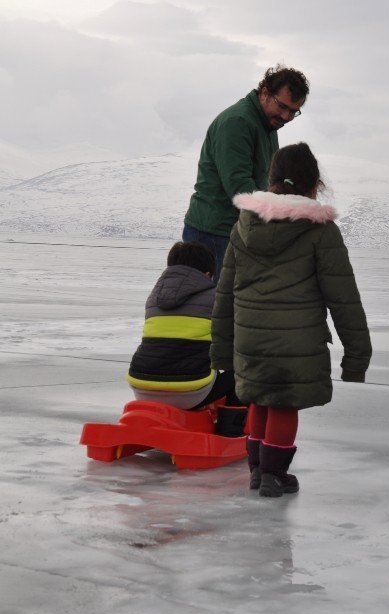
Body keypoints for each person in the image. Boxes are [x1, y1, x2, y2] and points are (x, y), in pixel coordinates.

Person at [212, 142, 372, 498]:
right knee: (283, 404)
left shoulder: (243, 227)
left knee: (257, 397)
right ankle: (273, 474)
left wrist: (221, 351)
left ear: (271, 181)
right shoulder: (320, 230)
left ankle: (257, 471)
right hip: (296, 339)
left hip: (249, 337)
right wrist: (357, 356)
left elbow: (225, 294)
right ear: (313, 183)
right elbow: (343, 297)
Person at [183, 65, 310, 280]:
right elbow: (239, 187)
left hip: (237, 230)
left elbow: (268, 181)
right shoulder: (238, 123)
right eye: (282, 106)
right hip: (214, 233)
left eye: (293, 111)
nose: (286, 116)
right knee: (215, 308)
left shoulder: (268, 126)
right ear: (264, 93)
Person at [127, 241, 247, 435]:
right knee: (244, 373)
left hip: (142, 386)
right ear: (207, 274)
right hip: (190, 390)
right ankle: (230, 431)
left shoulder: (153, 298)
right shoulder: (216, 297)